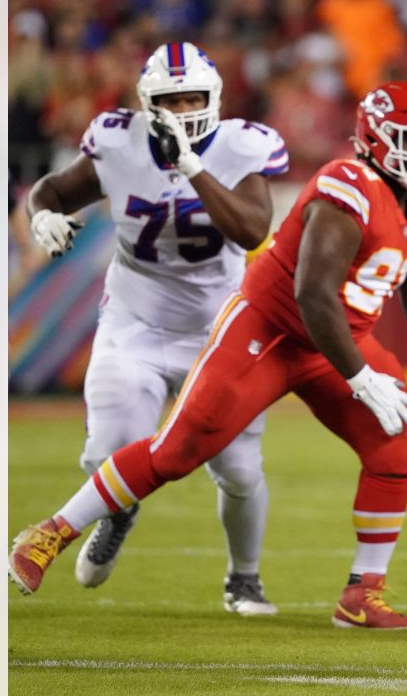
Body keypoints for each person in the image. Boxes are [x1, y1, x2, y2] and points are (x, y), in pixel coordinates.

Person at [10, 82, 407, 631]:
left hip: (338, 340)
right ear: (375, 139)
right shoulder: (345, 185)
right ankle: (50, 532)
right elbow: (312, 295)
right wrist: (359, 375)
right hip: (270, 331)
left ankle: (362, 595)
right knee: (177, 451)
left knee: (394, 451)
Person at [24, 42, 289, 615]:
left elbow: (251, 231)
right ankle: (119, 511)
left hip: (219, 327)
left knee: (240, 471)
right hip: (135, 321)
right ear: (148, 103)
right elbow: (53, 190)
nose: (185, 108)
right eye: (172, 100)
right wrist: (42, 214)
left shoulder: (242, 145)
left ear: (215, 98)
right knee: (107, 455)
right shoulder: (118, 141)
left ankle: (244, 578)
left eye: (195, 96)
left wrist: (192, 167)